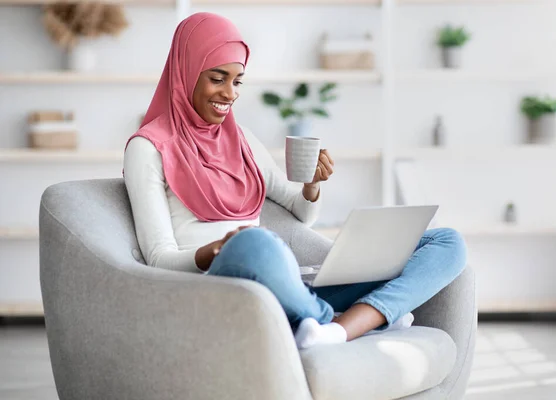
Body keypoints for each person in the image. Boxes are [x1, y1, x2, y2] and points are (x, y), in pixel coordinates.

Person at [123, 12, 467, 350]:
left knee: (446, 242)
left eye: (237, 81)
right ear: (186, 72)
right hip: (219, 287)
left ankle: (336, 330)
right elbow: (157, 257)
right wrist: (216, 251)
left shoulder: (240, 139)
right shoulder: (147, 148)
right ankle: (342, 319)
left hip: (287, 286)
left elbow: (300, 212)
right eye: (217, 78)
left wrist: (311, 186)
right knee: (255, 243)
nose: (230, 93)